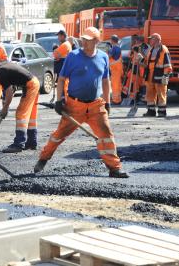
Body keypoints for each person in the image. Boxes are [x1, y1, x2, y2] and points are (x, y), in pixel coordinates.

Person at [34, 27, 128, 178]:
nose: (84, 42)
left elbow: (105, 81)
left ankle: (114, 168)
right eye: (83, 39)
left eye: (88, 40)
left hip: (96, 106)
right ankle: (43, 159)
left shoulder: (103, 57)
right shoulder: (73, 56)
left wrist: (108, 103)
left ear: (96, 41)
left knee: (106, 136)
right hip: (74, 106)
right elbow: (62, 79)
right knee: (58, 135)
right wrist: (59, 101)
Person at [0, 61, 40, 153]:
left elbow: (9, 91)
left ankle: (18, 144)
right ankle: (32, 142)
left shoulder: (0, 72)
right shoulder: (1, 66)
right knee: (30, 116)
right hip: (34, 82)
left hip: (30, 85)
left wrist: (5, 107)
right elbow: (14, 77)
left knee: (21, 114)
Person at [142, 33, 172, 117]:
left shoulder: (163, 50)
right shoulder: (151, 50)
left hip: (159, 75)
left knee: (161, 93)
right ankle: (151, 111)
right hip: (150, 75)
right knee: (150, 93)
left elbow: (167, 64)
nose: (150, 40)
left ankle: (162, 112)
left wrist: (165, 75)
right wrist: (141, 60)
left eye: (151, 39)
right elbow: (147, 63)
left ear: (156, 40)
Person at [109, 35, 123, 104]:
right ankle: (117, 99)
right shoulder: (118, 47)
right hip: (117, 69)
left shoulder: (114, 48)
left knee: (115, 85)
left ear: (112, 40)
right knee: (117, 85)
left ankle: (116, 100)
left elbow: (110, 56)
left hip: (115, 70)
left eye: (110, 39)